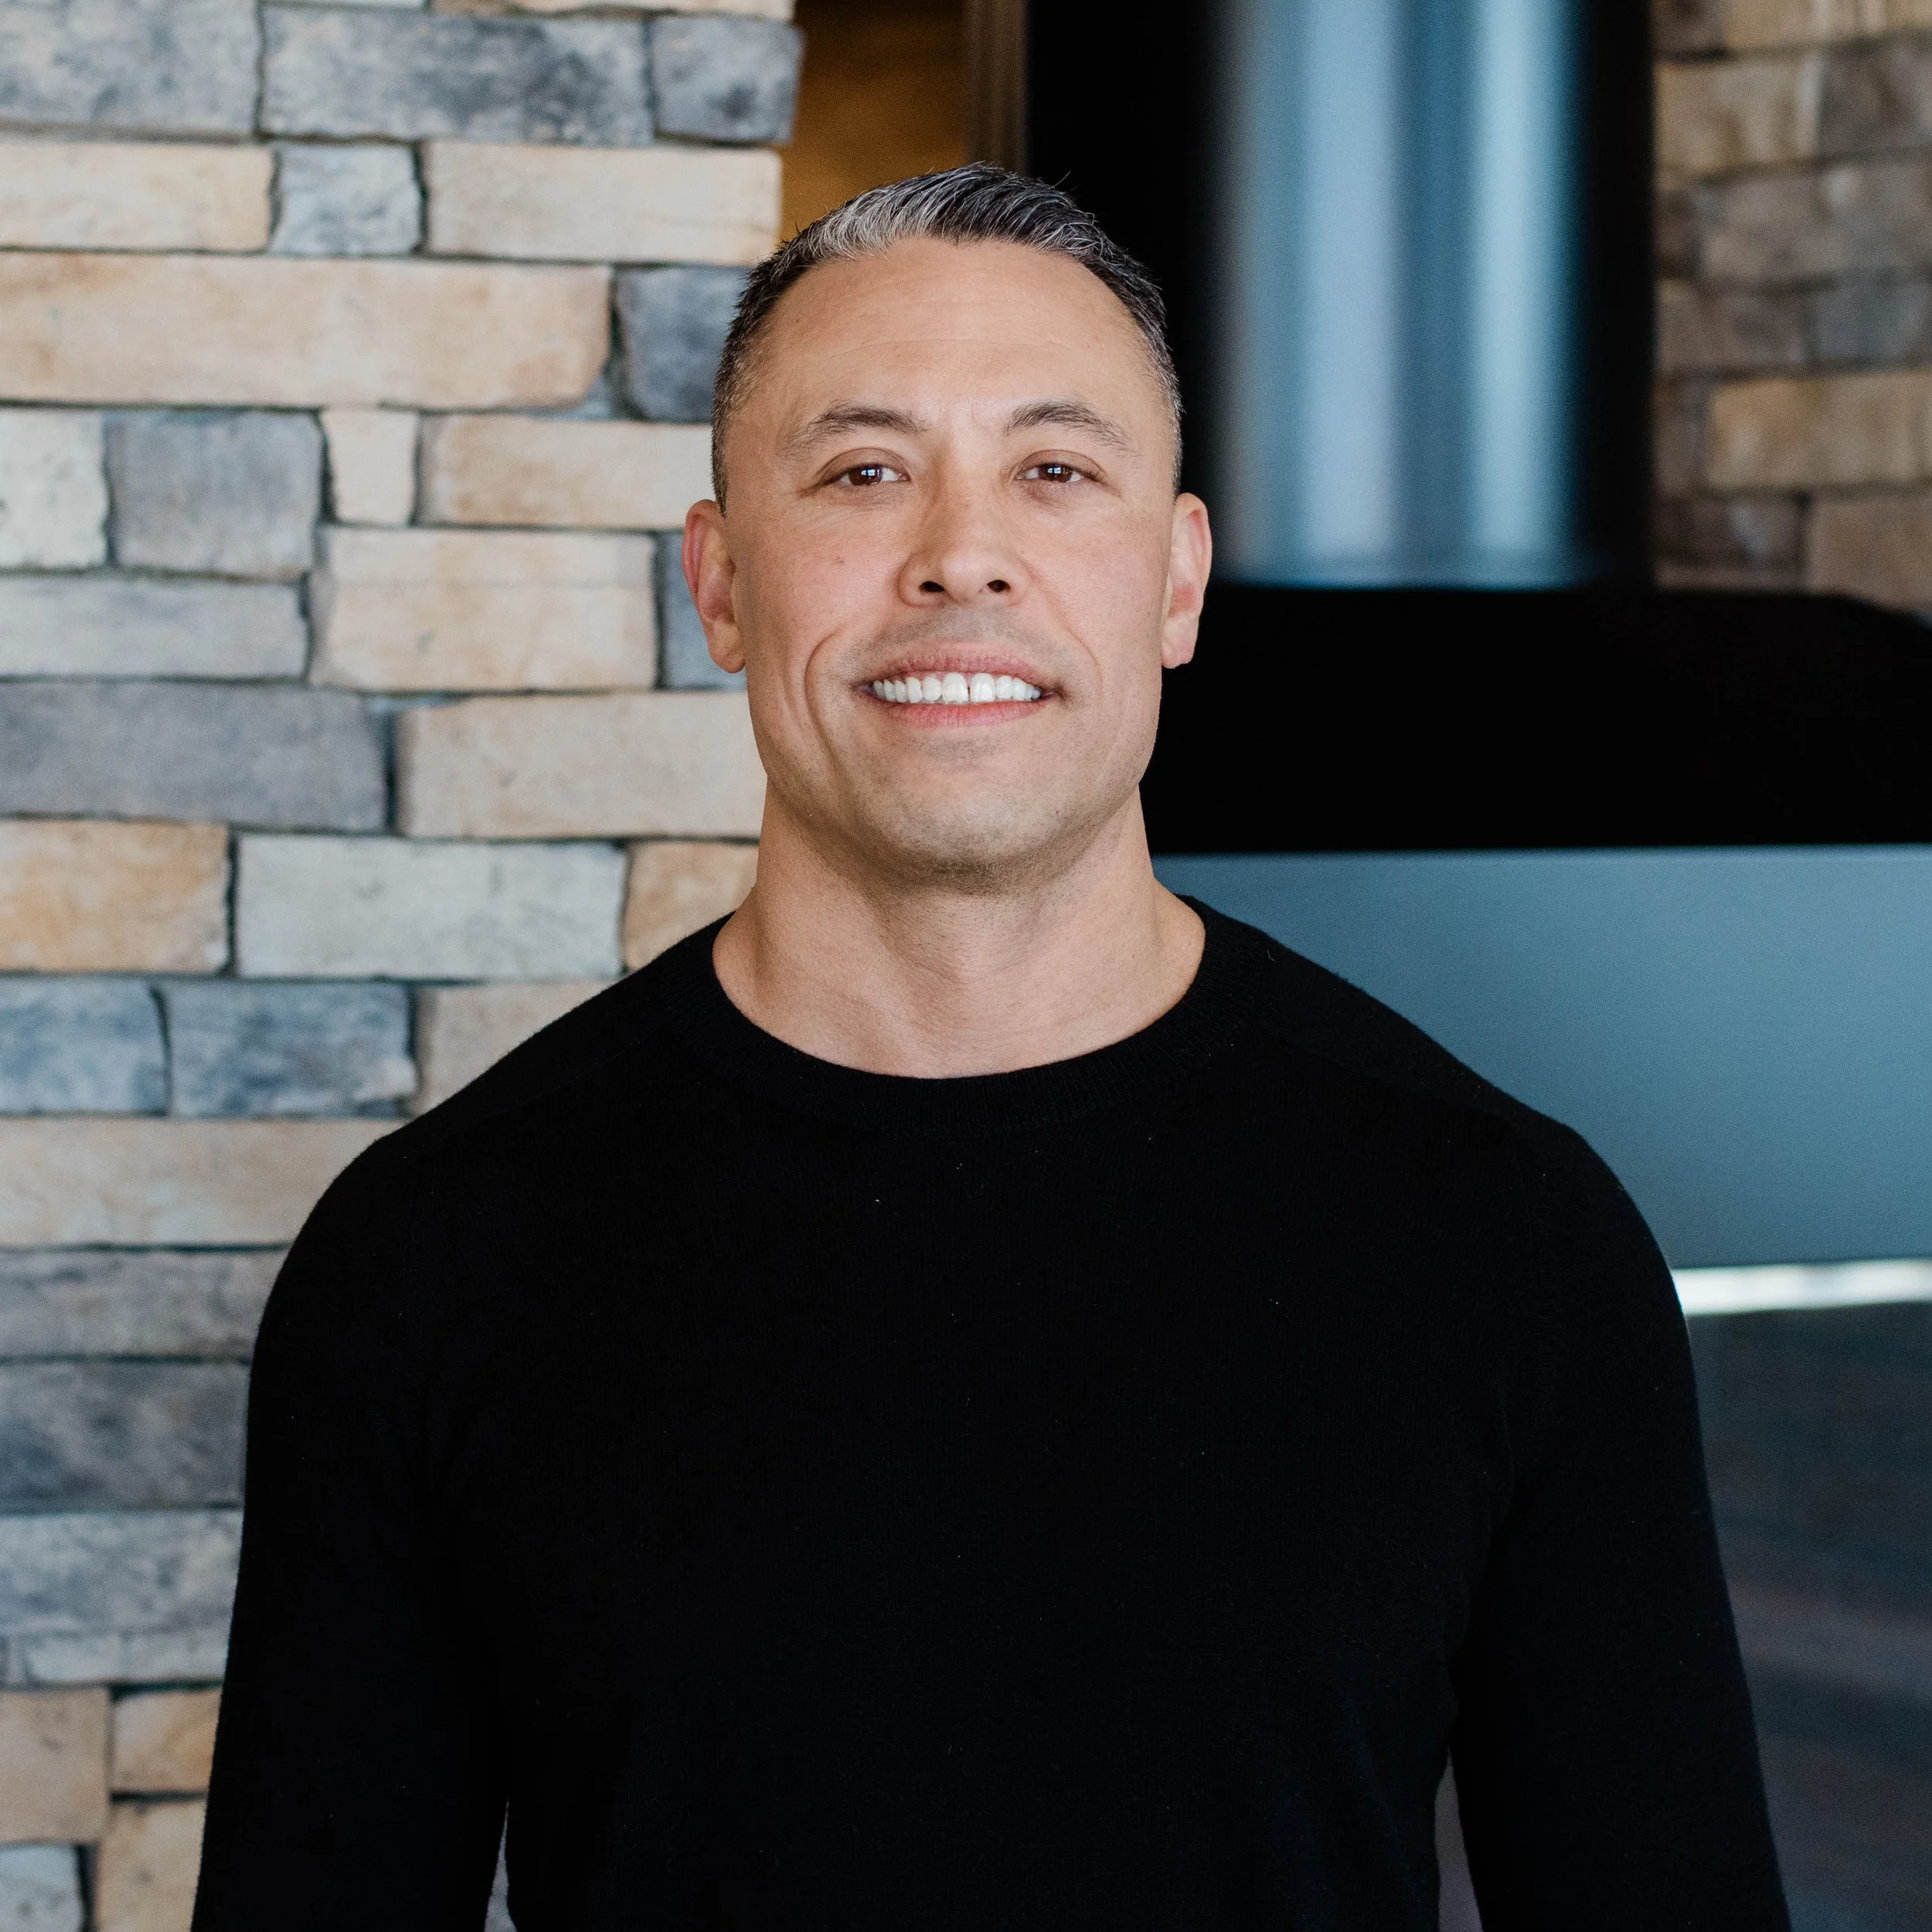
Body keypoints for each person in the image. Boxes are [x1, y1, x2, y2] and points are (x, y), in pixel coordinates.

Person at [194, 165, 1788, 1930]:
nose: (961, 552)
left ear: (1175, 580)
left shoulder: (1509, 1239)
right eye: (864, 473)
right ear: (721, 584)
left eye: (1055, 471)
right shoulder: (430, 1258)